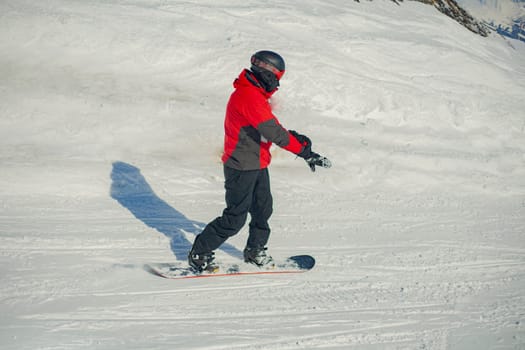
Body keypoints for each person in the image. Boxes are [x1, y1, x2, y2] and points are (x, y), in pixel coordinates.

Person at [188, 50, 331, 273]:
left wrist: (293, 138)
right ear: (269, 74)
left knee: (263, 209)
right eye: (278, 78)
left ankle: (255, 250)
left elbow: (267, 127)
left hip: (257, 163)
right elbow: (272, 132)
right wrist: (304, 151)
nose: (278, 84)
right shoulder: (249, 96)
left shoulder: (254, 94)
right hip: (241, 165)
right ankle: (200, 252)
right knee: (235, 218)